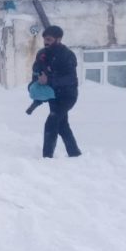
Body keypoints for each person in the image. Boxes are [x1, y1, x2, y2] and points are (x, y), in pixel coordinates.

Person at [33, 25, 82, 158]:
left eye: (49, 39)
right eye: (44, 39)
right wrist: (33, 88)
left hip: (68, 95)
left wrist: (48, 81)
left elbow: (71, 78)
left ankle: (47, 157)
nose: (46, 42)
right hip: (53, 95)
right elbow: (36, 72)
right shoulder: (42, 54)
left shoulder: (67, 55)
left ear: (59, 39)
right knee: (62, 125)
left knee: (52, 121)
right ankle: (75, 153)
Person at [26, 47, 55, 114]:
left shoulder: (53, 63)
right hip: (42, 87)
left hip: (51, 88)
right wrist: (39, 80)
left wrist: (48, 79)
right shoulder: (37, 65)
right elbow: (35, 78)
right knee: (32, 88)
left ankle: (54, 113)